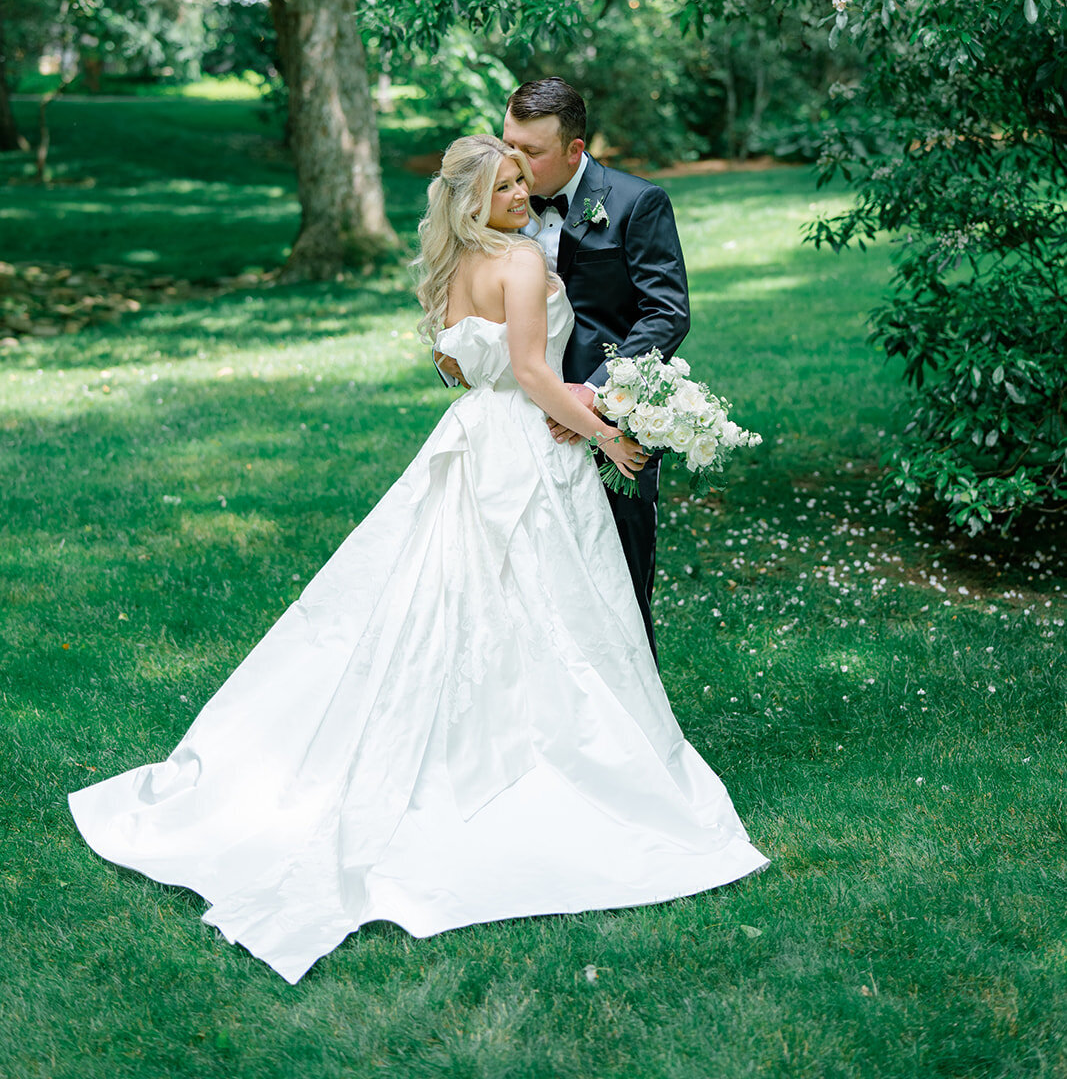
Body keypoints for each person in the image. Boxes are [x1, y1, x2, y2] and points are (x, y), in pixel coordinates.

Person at [68, 135, 766, 986]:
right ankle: (538, 752)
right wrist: (609, 436)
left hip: (475, 435)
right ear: (475, 199)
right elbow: (532, 376)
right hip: (527, 447)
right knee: (542, 597)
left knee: (466, 594)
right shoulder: (511, 261)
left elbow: (454, 367)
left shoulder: (455, 268)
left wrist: (559, 397)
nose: (521, 192)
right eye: (506, 184)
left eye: (521, 178)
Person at [438, 79, 689, 659]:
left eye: (532, 152)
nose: (513, 162)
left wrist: (596, 395)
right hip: (516, 435)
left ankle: (638, 732)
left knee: (617, 584)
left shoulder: (636, 202)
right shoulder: (498, 200)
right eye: (508, 143)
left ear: (575, 151)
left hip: (608, 422)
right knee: (516, 588)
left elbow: (665, 314)